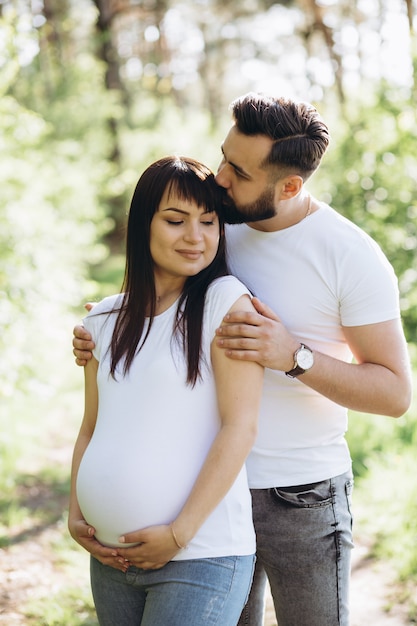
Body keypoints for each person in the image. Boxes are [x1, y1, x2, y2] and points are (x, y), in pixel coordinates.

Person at [73, 95, 412, 626]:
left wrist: (293, 357)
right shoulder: (214, 224)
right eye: (224, 157)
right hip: (199, 492)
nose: (221, 179)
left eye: (239, 171)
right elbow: (165, 291)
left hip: (298, 494)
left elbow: (395, 395)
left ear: (289, 187)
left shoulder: (350, 256)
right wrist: (111, 324)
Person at [68, 155, 264, 626]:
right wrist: (76, 515)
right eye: (176, 221)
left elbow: (240, 427)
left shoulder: (224, 302)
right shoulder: (102, 320)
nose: (195, 237)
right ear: (143, 225)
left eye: (209, 222)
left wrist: (179, 534)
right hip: (111, 559)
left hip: (201, 554)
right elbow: (92, 427)